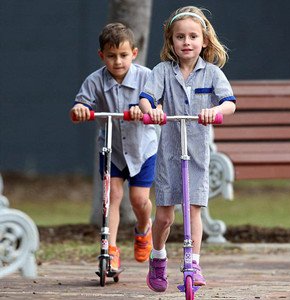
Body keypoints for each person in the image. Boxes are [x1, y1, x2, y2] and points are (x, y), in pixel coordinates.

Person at [139, 6, 236, 292]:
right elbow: (146, 98)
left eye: (193, 36)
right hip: (169, 153)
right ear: (171, 42)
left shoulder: (212, 73)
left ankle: (193, 262)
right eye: (180, 37)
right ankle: (158, 257)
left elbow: (229, 103)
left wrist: (215, 110)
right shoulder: (161, 72)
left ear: (204, 41)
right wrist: (153, 110)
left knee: (194, 209)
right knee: (166, 216)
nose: (187, 42)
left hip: (197, 152)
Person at [71, 23, 157, 271]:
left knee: (139, 199)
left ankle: (143, 229)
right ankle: (110, 250)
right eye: (111, 56)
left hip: (142, 149)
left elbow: (159, 107)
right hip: (112, 150)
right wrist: (80, 109)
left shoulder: (146, 77)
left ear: (134, 53)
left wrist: (145, 111)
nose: (117, 61)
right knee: (112, 197)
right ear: (101, 56)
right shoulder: (95, 81)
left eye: (123, 55)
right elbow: (80, 106)